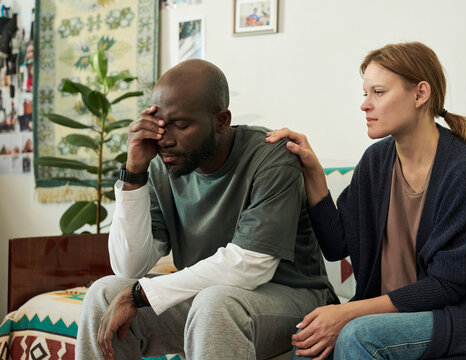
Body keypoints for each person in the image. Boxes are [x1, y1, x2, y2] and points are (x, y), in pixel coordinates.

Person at [266, 41, 466, 360]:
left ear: (420, 94)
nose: (365, 105)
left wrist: (348, 312)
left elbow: (447, 287)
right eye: (364, 93)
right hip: (401, 317)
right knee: (309, 349)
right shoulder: (375, 162)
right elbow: (337, 245)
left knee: (359, 335)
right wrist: (313, 172)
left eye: (378, 92)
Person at [75, 59, 336, 360]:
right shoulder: (162, 166)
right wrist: (134, 172)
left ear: (222, 120)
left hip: (295, 300)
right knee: (104, 294)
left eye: (182, 125)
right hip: (209, 299)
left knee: (216, 303)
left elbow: (251, 266)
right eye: (160, 125)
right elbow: (129, 267)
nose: (166, 140)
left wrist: (141, 294)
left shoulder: (271, 156)